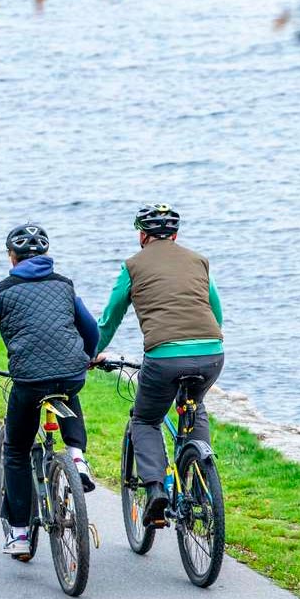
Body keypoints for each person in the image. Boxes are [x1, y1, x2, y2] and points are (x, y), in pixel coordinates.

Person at [0, 223, 100, 557]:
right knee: (66, 384)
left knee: (16, 450)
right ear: (45, 255)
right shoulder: (64, 285)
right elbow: (90, 329)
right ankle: (77, 455)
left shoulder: (2, 291)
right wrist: (88, 356)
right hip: (70, 373)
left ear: (11, 256)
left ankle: (18, 534)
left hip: (29, 381)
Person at [94, 204, 224, 527]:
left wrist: (91, 352)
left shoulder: (133, 266)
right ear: (175, 235)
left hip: (164, 357)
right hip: (212, 353)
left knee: (146, 419)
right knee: (197, 407)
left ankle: (155, 490)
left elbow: (110, 318)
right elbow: (216, 312)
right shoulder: (199, 261)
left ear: (142, 235)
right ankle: (199, 483)